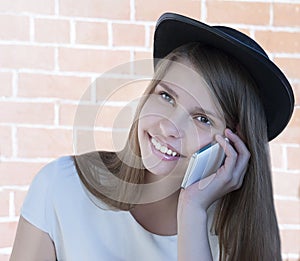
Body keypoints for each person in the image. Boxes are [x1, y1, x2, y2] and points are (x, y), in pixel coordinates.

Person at [10, 13, 294, 261]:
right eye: (166, 96)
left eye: (202, 119)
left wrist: (192, 212)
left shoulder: (238, 242)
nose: (170, 126)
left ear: (233, 146)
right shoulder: (61, 187)